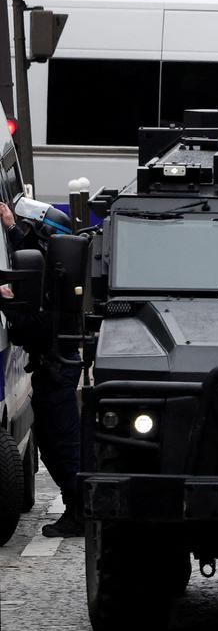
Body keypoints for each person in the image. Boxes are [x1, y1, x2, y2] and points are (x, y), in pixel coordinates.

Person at [0, 198, 84, 537]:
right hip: (55, 367)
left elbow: (28, 329)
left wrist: (7, 303)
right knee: (53, 443)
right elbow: (29, 253)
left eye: (34, 232)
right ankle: (76, 509)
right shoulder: (54, 269)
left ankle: (80, 513)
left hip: (56, 369)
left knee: (62, 445)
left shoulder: (54, 282)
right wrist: (10, 225)